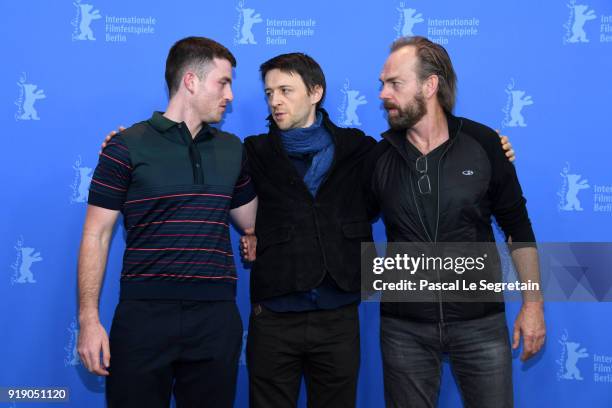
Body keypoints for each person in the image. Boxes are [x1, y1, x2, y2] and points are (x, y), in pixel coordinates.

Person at [239, 53, 515, 408]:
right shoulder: (253, 151)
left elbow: (404, 173)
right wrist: (250, 230)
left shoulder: (359, 148)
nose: (275, 100)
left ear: (315, 92)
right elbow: (229, 196)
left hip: (339, 311)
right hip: (274, 311)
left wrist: (495, 148)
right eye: (269, 92)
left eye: (285, 90)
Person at [77, 36, 256, 408]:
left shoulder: (232, 149)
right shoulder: (125, 146)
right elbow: (96, 235)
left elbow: (250, 220)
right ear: (191, 81)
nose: (231, 95)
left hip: (216, 319)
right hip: (144, 317)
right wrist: (89, 321)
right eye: (223, 82)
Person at [366, 36, 545, 407]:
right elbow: (344, 219)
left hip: (480, 324)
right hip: (404, 329)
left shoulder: (484, 144)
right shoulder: (378, 157)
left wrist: (533, 306)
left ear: (430, 85)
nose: (383, 93)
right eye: (382, 84)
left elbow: (518, 229)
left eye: (394, 83)